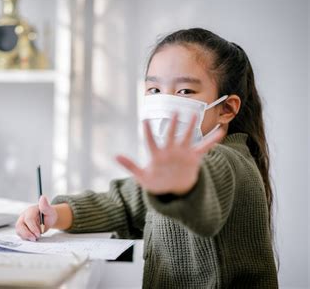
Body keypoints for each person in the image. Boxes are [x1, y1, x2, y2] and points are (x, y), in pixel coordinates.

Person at [16, 28, 278, 288]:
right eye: (154, 90)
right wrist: (53, 215)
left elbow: (205, 192)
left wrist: (184, 188)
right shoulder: (171, 172)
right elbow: (123, 204)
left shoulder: (228, 161)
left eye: (185, 91)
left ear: (226, 108)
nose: (164, 101)